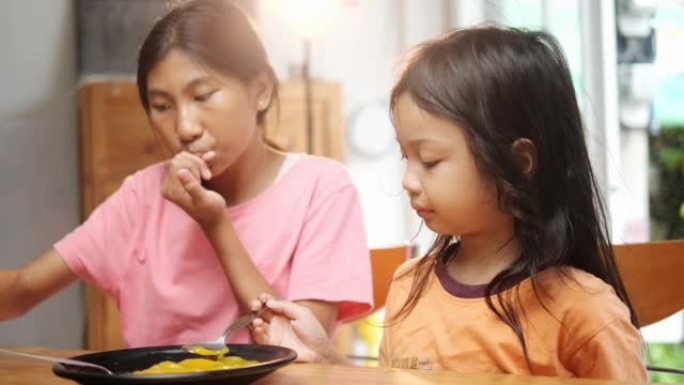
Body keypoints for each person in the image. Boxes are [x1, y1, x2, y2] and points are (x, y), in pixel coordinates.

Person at [249, 26, 648, 381]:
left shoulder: (586, 313)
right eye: (406, 157)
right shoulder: (409, 285)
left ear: (518, 163)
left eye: (431, 160)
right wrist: (326, 357)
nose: (408, 181)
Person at [0, 0, 372, 348]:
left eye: (203, 95)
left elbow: (301, 348)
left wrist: (216, 224)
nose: (184, 127)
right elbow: (20, 290)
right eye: (162, 106)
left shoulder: (322, 187)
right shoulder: (143, 195)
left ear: (260, 90)